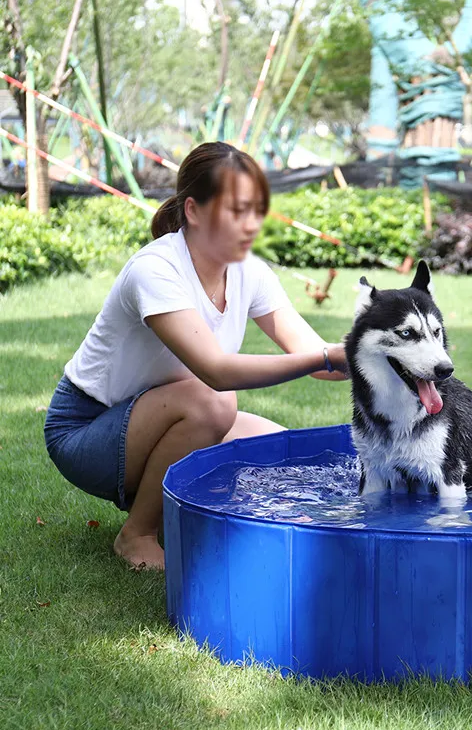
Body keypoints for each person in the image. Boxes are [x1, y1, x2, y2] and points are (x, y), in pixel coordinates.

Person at [44, 142, 349, 571]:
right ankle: (138, 533)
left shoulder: (251, 272)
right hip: (86, 430)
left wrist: (374, 353)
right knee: (213, 401)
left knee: (286, 452)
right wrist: (326, 356)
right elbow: (217, 373)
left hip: (160, 414)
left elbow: (318, 358)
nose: (250, 224)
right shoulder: (156, 269)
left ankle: (201, 516)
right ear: (193, 210)